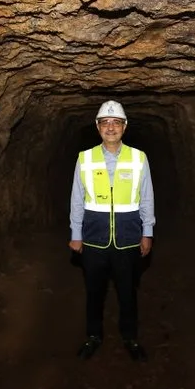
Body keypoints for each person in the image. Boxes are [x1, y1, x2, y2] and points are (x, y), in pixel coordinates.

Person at [68, 100, 155, 362]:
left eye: (116, 122)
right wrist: (76, 234)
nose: (110, 127)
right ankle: (93, 336)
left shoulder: (139, 158)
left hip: (128, 238)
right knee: (94, 292)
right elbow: (77, 198)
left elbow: (147, 197)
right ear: (97, 127)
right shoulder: (85, 158)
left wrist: (147, 231)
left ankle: (130, 337)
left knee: (127, 292)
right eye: (105, 123)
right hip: (94, 238)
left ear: (124, 127)